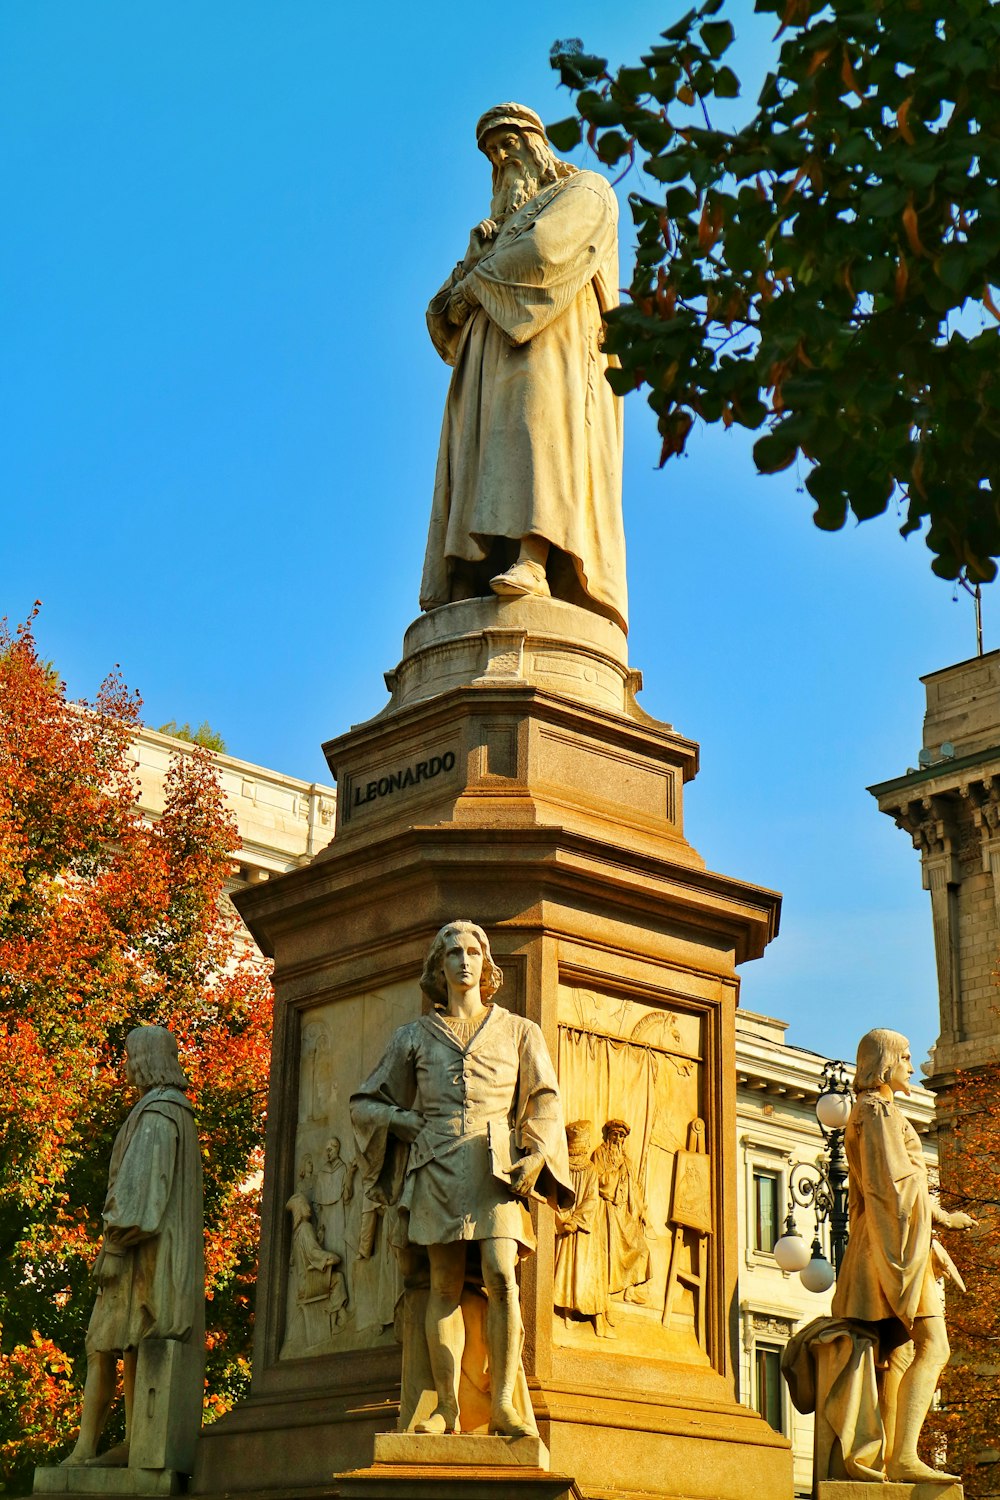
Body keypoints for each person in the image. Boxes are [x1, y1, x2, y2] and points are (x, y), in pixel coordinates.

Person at [350, 920, 573, 1437]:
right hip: (435, 1165)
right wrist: (403, 1120)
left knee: (501, 1274)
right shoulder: (412, 1036)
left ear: (486, 964)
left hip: (495, 1167)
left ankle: (502, 1405)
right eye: (453, 952)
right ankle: (447, 1408)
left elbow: (544, 1100)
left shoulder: (520, 1031)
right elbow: (365, 1102)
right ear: (439, 966)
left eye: (473, 951)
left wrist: (538, 1154)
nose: (464, 960)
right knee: (443, 1285)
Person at [420, 103, 627, 633]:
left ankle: (534, 559)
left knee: (540, 437)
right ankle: (466, 575)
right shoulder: (491, 233)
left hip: (550, 342)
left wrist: (473, 285)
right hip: (485, 361)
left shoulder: (587, 190)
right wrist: (472, 268)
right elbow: (440, 312)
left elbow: (544, 252)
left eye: (508, 142)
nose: (501, 155)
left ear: (536, 143)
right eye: (492, 151)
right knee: (477, 457)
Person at [831, 1028, 976, 1483]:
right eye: (906, 1058)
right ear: (886, 1062)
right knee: (935, 1347)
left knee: (901, 1351)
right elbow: (890, 1186)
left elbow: (898, 1183)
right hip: (891, 1248)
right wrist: (934, 1234)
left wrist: (937, 1221)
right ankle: (903, 1456)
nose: (912, 1067)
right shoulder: (875, 1112)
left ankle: (895, 1455)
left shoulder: (876, 1112)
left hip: (886, 1243)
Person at [62, 1027, 204, 1468]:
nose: (123, 1066)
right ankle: (124, 1443)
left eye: (127, 1057)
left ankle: (93, 1447)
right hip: (149, 1255)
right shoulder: (168, 1111)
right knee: (125, 1347)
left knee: (103, 1346)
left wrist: (116, 1247)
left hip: (141, 1256)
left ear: (144, 1059)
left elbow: (142, 1195)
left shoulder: (159, 1114)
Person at [553, 1120, 613, 1338]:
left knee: (585, 1272)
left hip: (583, 1231)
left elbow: (591, 1199)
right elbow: (554, 1197)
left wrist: (575, 1220)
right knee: (565, 1271)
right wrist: (562, 1220)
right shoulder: (560, 1168)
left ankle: (593, 1317)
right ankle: (566, 1312)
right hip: (565, 1229)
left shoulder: (590, 1170)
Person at [591, 1118, 651, 1304]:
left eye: (621, 1136)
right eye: (615, 1134)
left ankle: (630, 1290)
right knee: (610, 1252)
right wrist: (617, 1172)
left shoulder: (628, 1161)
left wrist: (641, 1210)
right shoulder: (600, 1154)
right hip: (607, 1210)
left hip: (624, 1211)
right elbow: (599, 1182)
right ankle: (603, 1292)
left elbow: (635, 1188)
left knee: (641, 1249)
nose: (618, 1139)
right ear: (609, 1136)